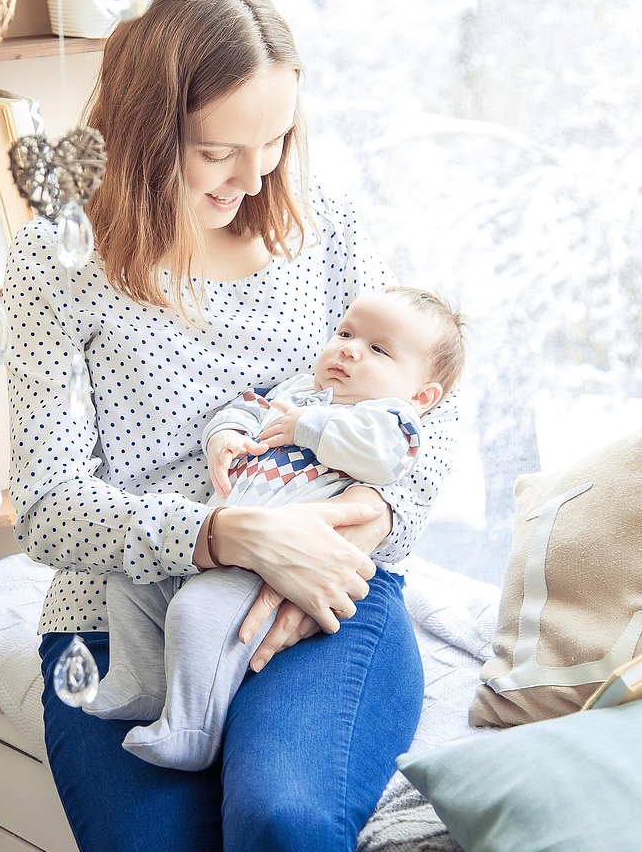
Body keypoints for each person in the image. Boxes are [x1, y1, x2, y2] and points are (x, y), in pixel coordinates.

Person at [3, 0, 460, 852]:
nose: (255, 177)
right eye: (219, 152)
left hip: (324, 584)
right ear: (146, 129)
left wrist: (370, 515)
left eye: (276, 140)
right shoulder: (55, 262)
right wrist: (225, 535)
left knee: (281, 822)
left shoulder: (322, 224)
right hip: (120, 615)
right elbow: (48, 506)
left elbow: (427, 408)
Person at [86, 286, 466, 772]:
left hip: (275, 565)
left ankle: (191, 729)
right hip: (216, 540)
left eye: (377, 349)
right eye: (345, 333)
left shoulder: (391, 422)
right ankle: (142, 682)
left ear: (421, 396)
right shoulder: (297, 390)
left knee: (198, 612)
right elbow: (245, 408)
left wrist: (309, 426)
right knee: (132, 581)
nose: (349, 349)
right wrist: (225, 436)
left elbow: (380, 459)